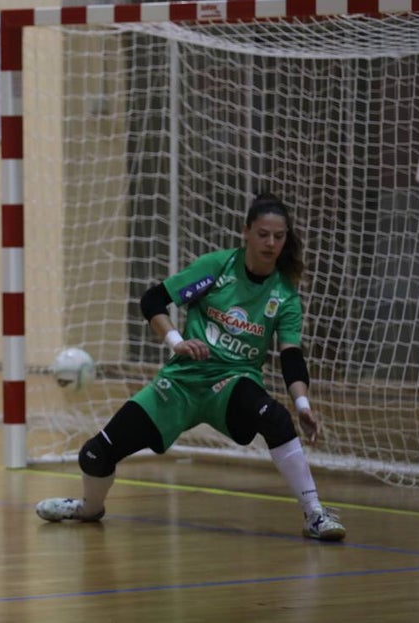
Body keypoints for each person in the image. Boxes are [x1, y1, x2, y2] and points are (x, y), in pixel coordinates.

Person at [36, 194, 346, 541]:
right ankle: (88, 508)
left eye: (278, 236)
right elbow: (153, 300)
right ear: (246, 232)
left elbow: (291, 356)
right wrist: (177, 342)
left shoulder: (285, 294)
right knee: (95, 454)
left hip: (231, 382)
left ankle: (314, 514)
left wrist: (302, 404)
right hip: (182, 382)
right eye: (263, 234)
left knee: (276, 418)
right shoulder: (217, 267)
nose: (271, 243)